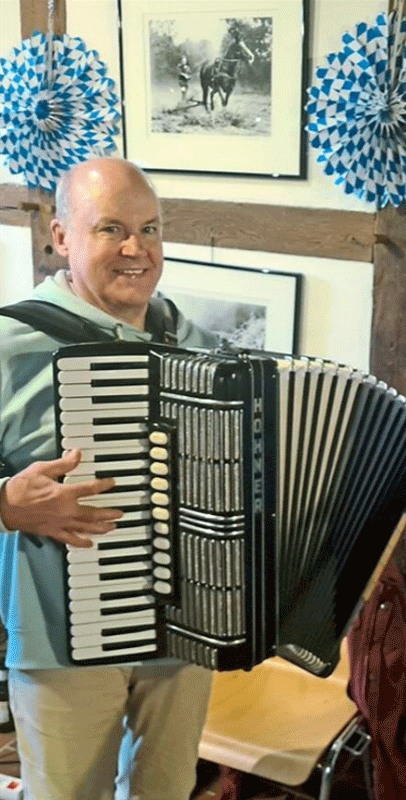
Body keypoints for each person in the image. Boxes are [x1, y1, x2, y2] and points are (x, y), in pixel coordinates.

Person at [0, 157, 227, 800]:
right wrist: (7, 504)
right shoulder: (9, 340)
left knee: (167, 789)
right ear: (61, 235)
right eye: (111, 229)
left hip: (182, 622)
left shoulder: (191, 340)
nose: (137, 249)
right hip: (61, 637)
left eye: (150, 229)